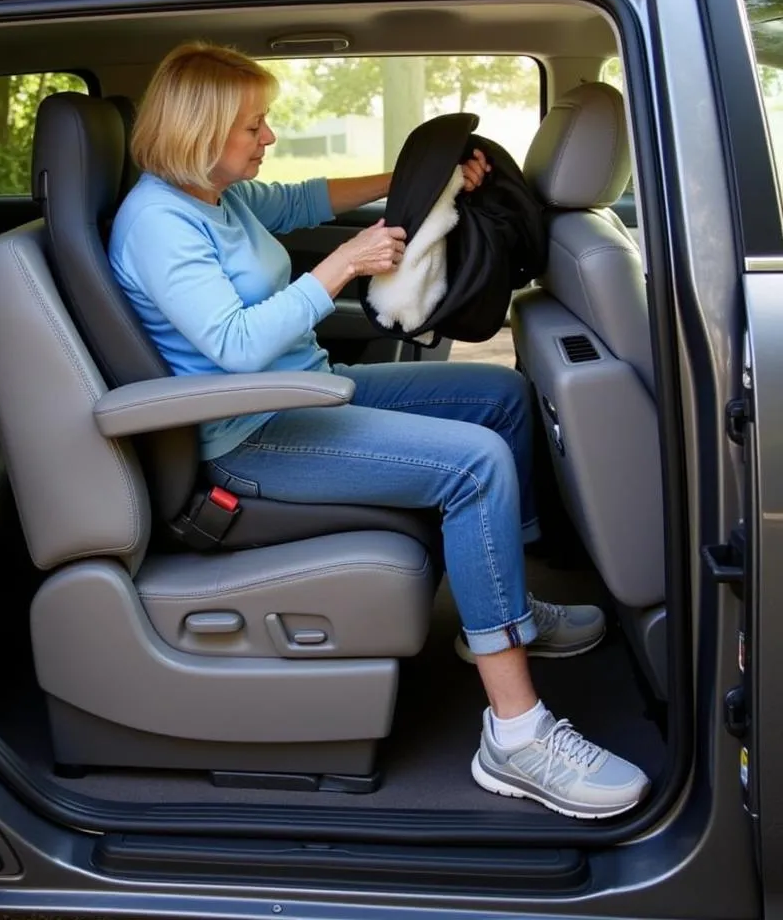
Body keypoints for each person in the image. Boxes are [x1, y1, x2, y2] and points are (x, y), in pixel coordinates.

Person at [108, 41, 650, 820]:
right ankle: (517, 734)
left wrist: (421, 185)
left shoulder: (212, 197)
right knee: (476, 465)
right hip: (247, 438)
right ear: (201, 130)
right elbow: (233, 346)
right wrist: (344, 267)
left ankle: (502, 604)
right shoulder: (158, 223)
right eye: (254, 125)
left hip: (305, 393)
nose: (268, 139)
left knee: (498, 396)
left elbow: (303, 200)